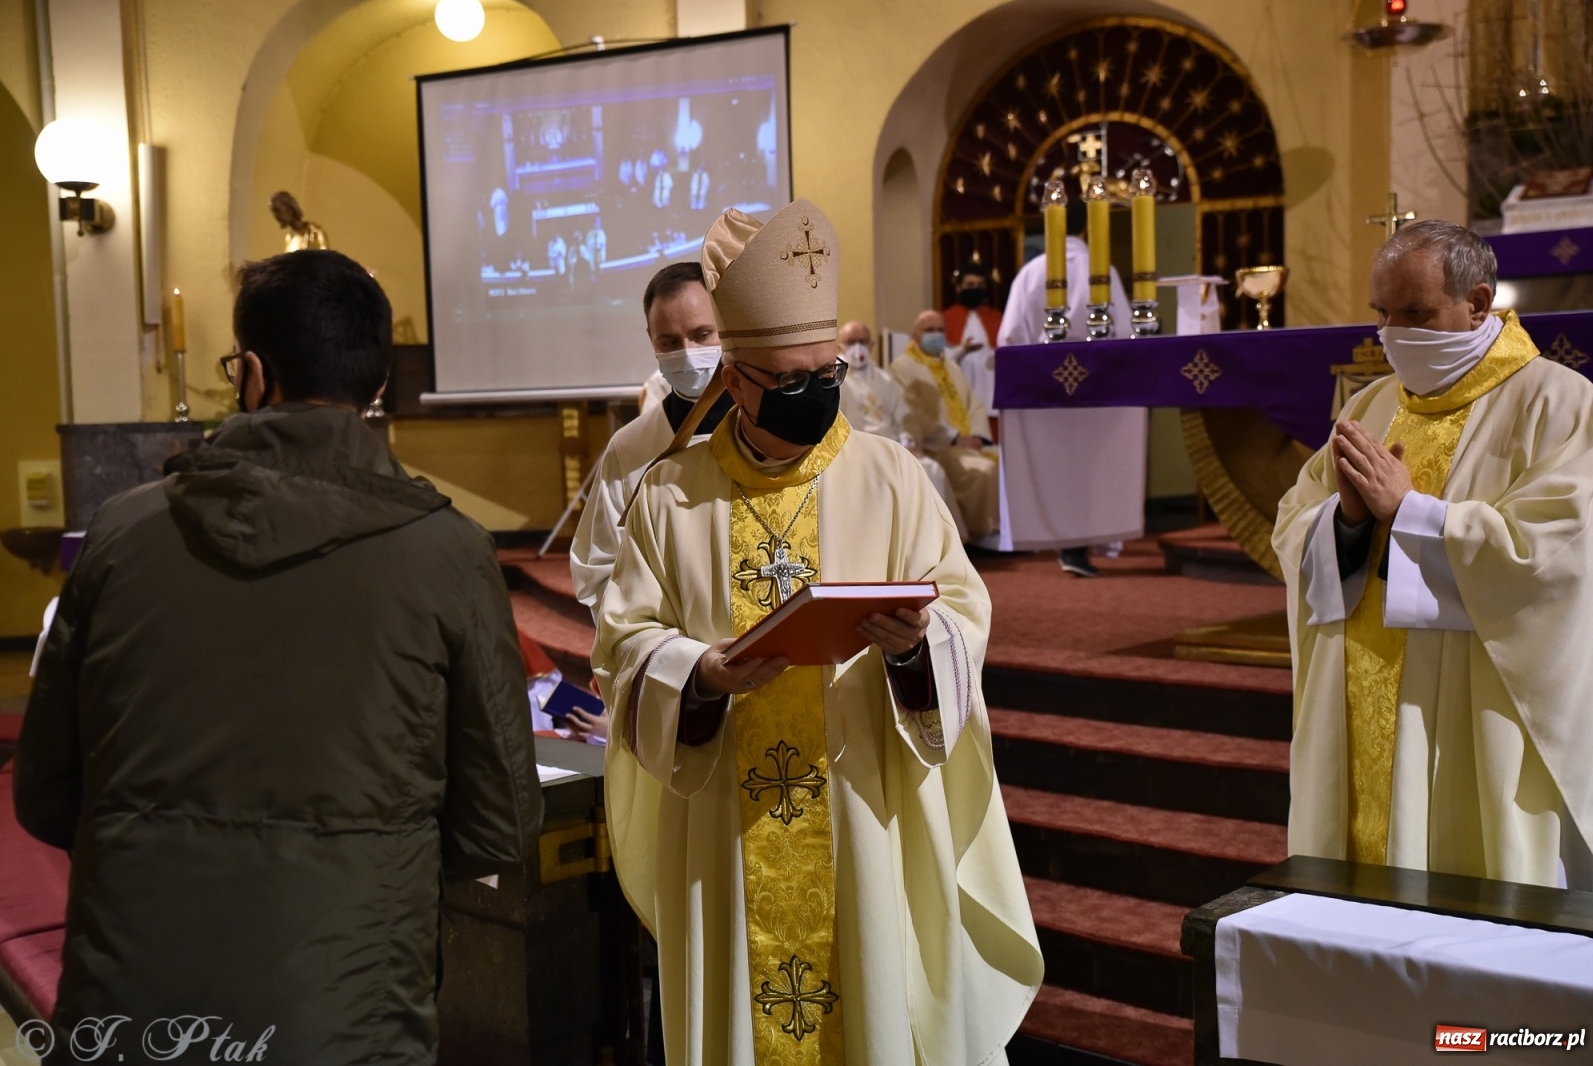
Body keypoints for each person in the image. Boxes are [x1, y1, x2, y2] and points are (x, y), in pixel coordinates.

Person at [14, 250, 541, 1063]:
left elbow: (45, 793)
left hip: (131, 1007)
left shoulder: (120, 535)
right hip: (347, 1007)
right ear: (374, 386)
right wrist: (381, 861)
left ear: (252, 374)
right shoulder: (447, 552)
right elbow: (500, 820)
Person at [596, 200, 1041, 1065]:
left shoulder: (892, 478)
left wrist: (915, 648)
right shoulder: (668, 494)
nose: (815, 395)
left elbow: (963, 614)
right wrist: (698, 675)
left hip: (861, 811)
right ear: (731, 379)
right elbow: (622, 648)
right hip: (726, 823)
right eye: (789, 381)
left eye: (825, 374)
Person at [1274, 219, 1593, 889]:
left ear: (1478, 302)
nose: (1393, 333)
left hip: (1469, 711)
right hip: (1357, 694)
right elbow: (1293, 521)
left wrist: (1413, 515)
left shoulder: (1559, 404)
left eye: (1416, 313)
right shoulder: (1370, 404)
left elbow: (1558, 556)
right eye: (1383, 314)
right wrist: (1347, 520)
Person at [569, 261, 736, 737]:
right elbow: (597, 567)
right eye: (669, 342)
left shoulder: (771, 433)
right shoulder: (632, 447)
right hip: (680, 676)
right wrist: (654, 651)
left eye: (703, 334)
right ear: (650, 340)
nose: (688, 353)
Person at [998, 199, 1143, 576]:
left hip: (1044, 393)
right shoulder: (1102, 274)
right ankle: (1087, 543)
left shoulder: (1031, 274)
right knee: (1092, 469)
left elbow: (1010, 338)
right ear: (1084, 228)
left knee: (1056, 468)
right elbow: (1126, 335)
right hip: (1097, 393)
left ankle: (1065, 543)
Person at [837, 320, 970, 541]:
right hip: (857, 449)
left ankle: (939, 544)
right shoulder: (834, 380)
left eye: (862, 342)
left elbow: (903, 419)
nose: (857, 348)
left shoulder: (884, 379)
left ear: (872, 346)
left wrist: (908, 442)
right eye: (851, 342)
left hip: (892, 447)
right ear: (839, 347)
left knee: (931, 469)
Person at [891, 309, 1001, 542]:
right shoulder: (903, 367)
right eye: (929, 330)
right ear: (916, 334)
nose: (936, 335)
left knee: (1007, 462)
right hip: (938, 445)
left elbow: (974, 403)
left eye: (940, 330)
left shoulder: (950, 365)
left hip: (967, 442)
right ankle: (981, 532)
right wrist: (954, 438)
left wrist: (979, 436)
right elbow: (914, 414)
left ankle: (1001, 530)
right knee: (983, 472)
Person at [944, 262, 1004, 422]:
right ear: (958, 288)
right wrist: (963, 350)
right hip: (961, 393)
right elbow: (940, 359)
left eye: (980, 285)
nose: (975, 288)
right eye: (970, 285)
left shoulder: (997, 318)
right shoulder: (946, 318)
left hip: (991, 391)